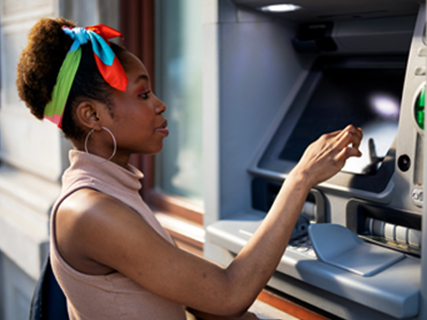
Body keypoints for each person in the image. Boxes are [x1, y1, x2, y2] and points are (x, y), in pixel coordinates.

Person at [16, 17, 363, 320]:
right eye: (143, 94)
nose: (160, 104)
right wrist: (301, 177)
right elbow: (229, 294)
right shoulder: (91, 211)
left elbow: (187, 293)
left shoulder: (111, 190)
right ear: (92, 116)